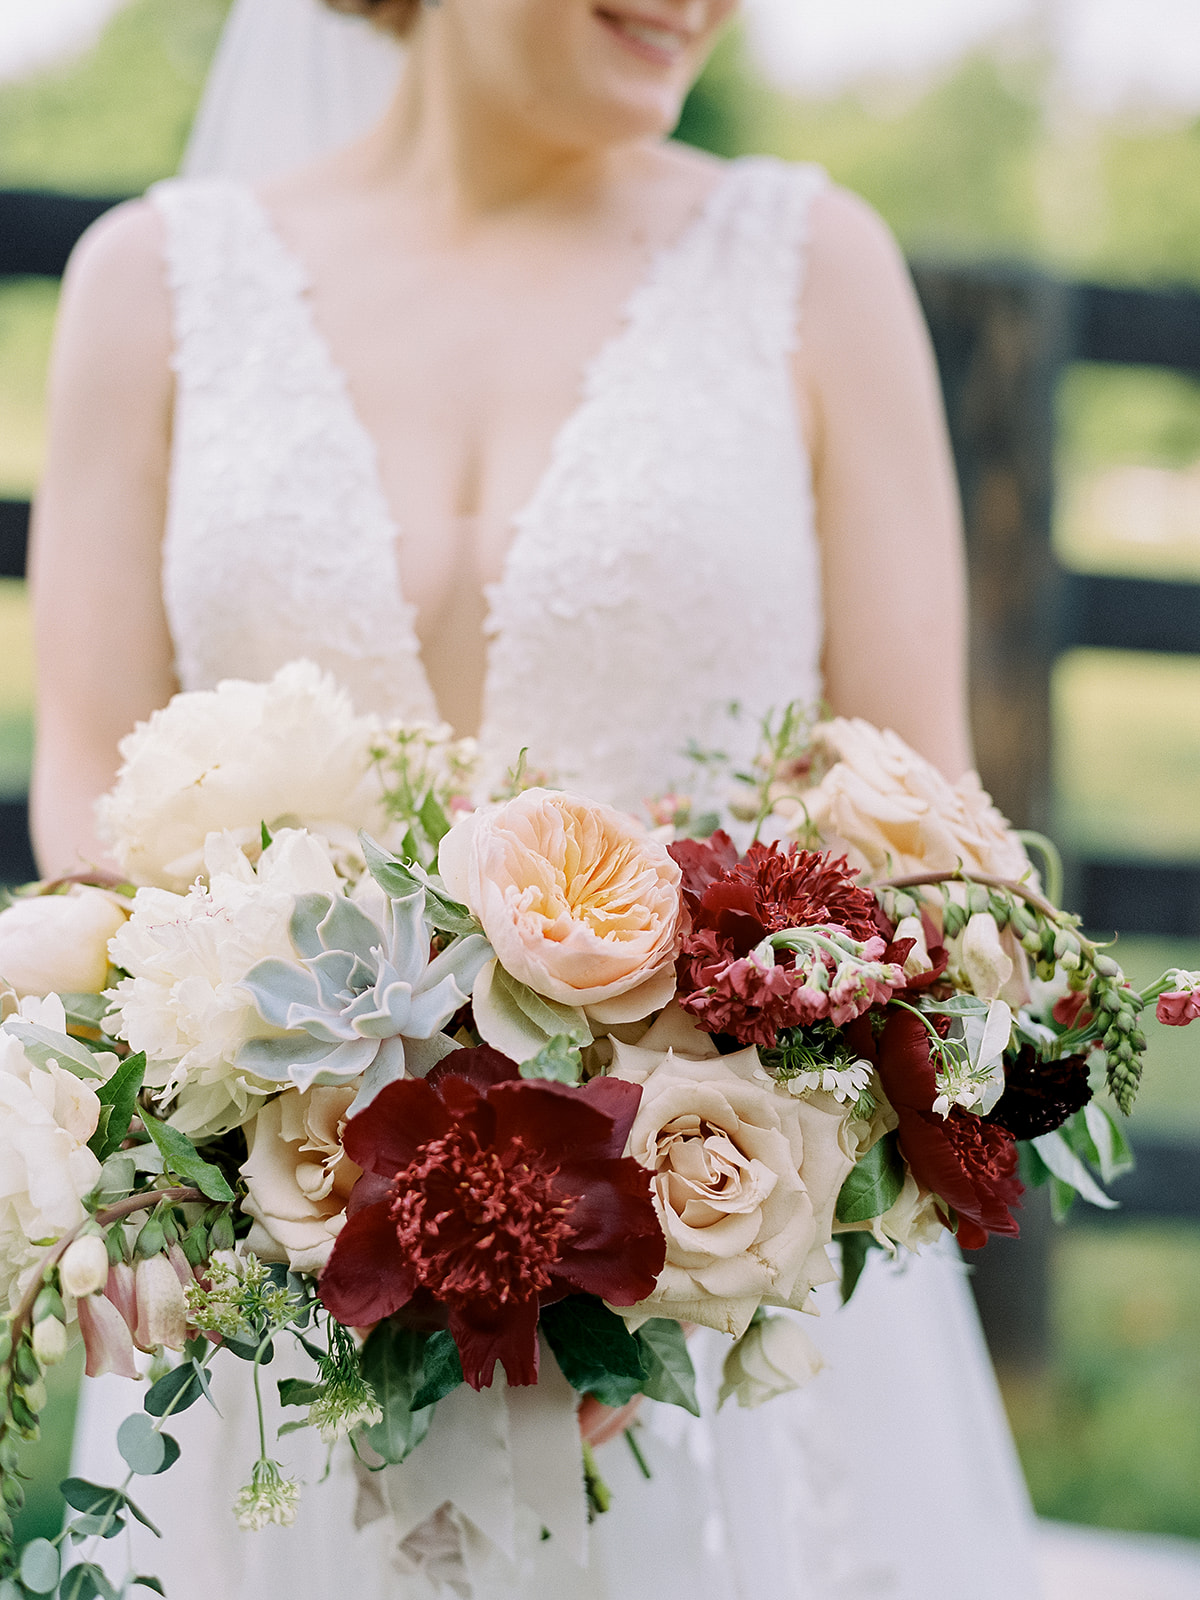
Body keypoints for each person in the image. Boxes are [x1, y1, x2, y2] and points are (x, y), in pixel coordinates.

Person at [29, 0, 1046, 1594]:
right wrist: (200, 1154)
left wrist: (680, 1232)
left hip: (714, 1322)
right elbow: (88, 776)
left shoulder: (814, 268)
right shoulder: (147, 287)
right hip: (282, 1311)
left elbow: (909, 809)